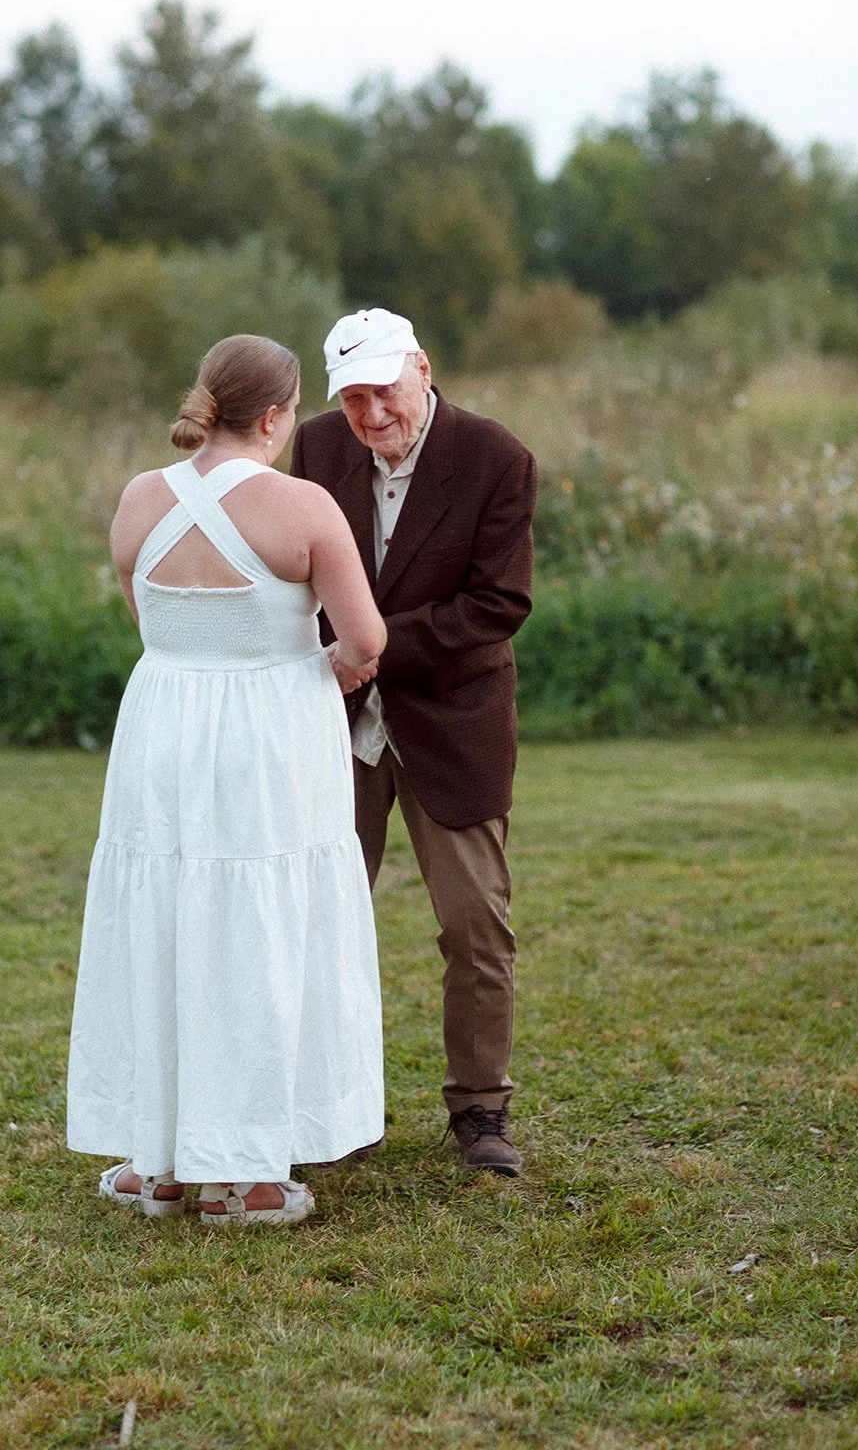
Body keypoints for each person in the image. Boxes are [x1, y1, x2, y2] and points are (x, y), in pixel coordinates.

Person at [67, 335, 387, 1225]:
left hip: (163, 728)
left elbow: (147, 615)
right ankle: (245, 1172)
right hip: (270, 737)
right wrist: (317, 666)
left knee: (164, 920)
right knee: (254, 929)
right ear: (278, 418)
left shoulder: (139, 499)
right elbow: (365, 643)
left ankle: (159, 1163)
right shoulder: (303, 506)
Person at [290, 309, 537, 1177]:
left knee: (475, 926)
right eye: (352, 397)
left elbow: (496, 606)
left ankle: (480, 1111)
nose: (370, 414)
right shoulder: (316, 451)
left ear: (422, 370)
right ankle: (313, 1107)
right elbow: (292, 574)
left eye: (383, 390)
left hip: (451, 723)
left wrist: (372, 645)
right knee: (312, 919)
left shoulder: (496, 458)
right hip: (331, 722)